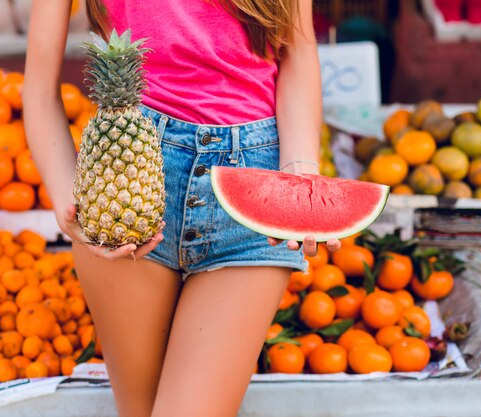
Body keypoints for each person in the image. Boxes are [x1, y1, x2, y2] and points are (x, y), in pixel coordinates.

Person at [23, 1, 341, 416]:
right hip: (128, 167)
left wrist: (300, 174)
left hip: (253, 178)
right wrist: (73, 200)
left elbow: (297, 51)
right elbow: (39, 89)